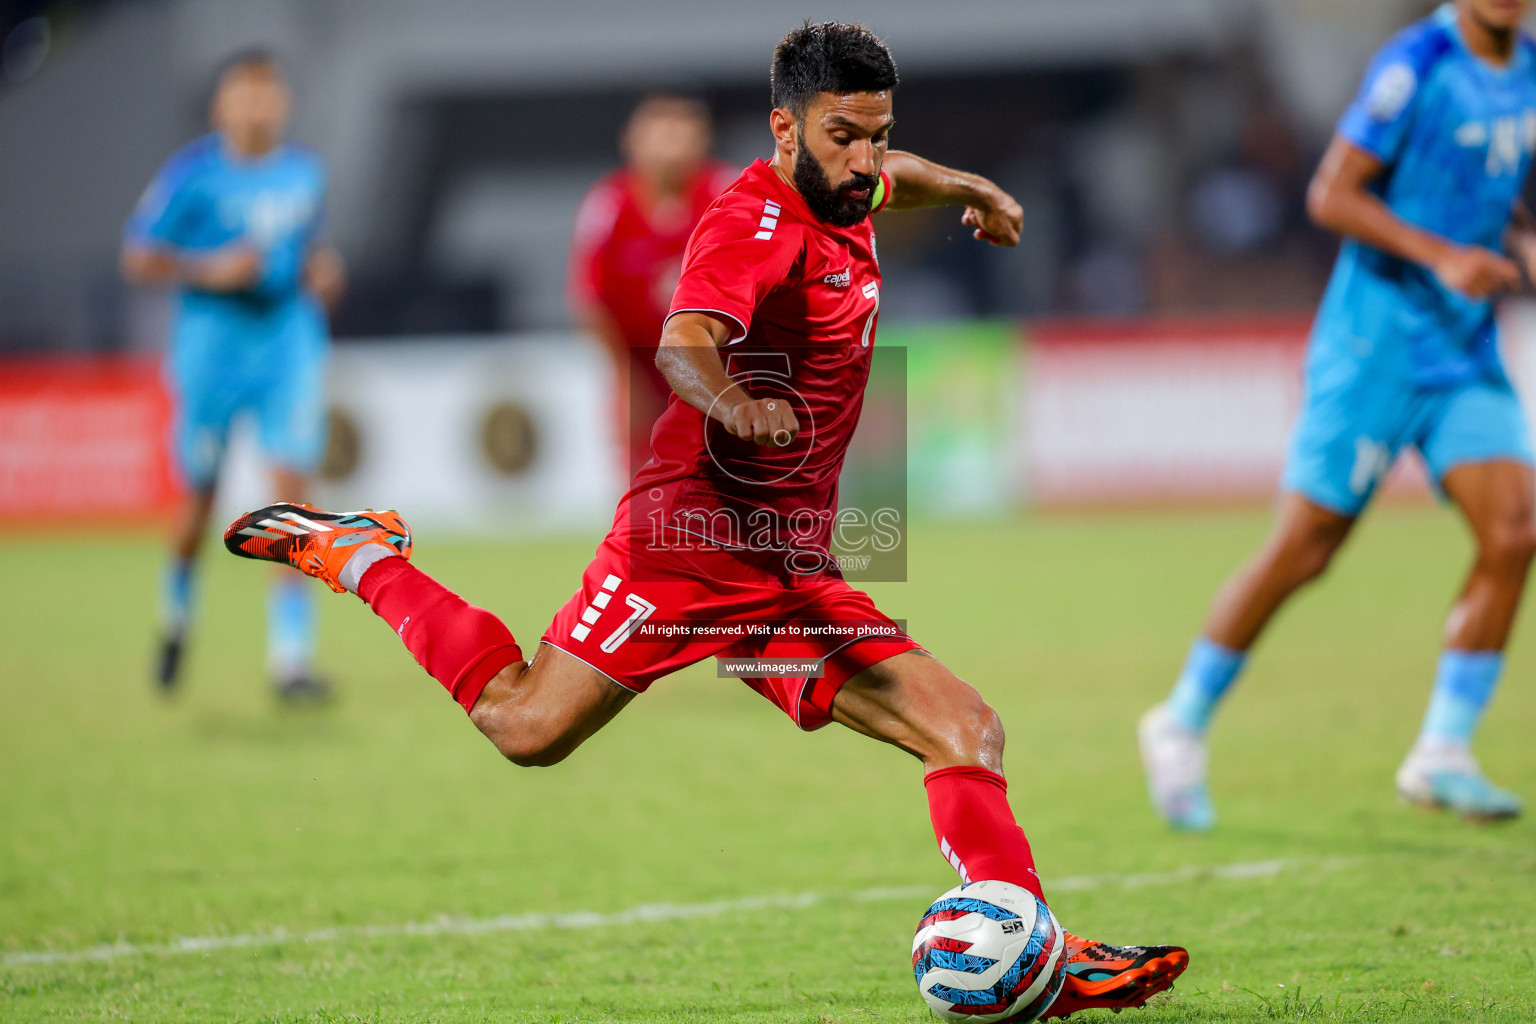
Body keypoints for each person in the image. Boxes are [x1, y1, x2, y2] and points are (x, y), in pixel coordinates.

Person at [224, 23, 1187, 1017]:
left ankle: (1047, 958)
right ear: (784, 130)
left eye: (875, 134)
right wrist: (735, 405)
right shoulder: (749, 223)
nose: (865, 160)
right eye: (843, 137)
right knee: (524, 724)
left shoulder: (849, 185)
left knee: (965, 729)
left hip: (787, 565)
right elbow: (687, 337)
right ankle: (364, 556)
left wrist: (976, 188)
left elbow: (897, 170)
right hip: (689, 541)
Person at [1140, 0, 1536, 829]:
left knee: (1514, 532)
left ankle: (1442, 751)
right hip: (1374, 352)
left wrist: (1518, 240)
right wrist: (1444, 257)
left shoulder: (1525, 66)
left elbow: (1482, 190)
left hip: (1462, 353)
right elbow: (1332, 194)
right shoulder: (1417, 62)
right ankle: (1180, 719)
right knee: (1305, 551)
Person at [122, 49, 345, 700]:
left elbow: (311, 252)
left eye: (267, 93)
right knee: (198, 498)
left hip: (289, 351)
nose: (257, 104)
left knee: (294, 502)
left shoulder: (306, 174)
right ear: (222, 105)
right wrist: (209, 268)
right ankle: (176, 618)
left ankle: (291, 661)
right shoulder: (191, 176)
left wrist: (324, 271)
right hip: (212, 359)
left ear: (284, 104)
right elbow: (139, 256)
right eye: (244, 93)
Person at [570, 95, 740, 475]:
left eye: (682, 133)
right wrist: (622, 377)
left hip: (720, 363)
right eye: (660, 134)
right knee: (643, 475)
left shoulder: (729, 194)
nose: (671, 147)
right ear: (632, 140)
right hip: (642, 369)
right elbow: (590, 301)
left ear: (704, 139)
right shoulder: (608, 205)